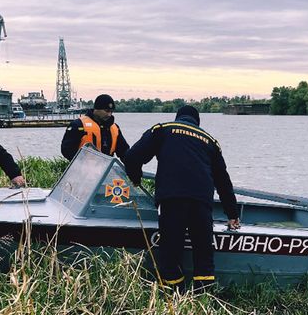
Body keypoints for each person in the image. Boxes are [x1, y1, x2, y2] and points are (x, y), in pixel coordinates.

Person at [124, 105, 241, 290]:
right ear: (197, 122)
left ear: (178, 117)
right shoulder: (210, 141)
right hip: (201, 202)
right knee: (203, 252)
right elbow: (223, 182)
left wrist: (135, 179)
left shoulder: (162, 130)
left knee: (170, 251)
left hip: (172, 198)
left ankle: (174, 294)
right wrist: (232, 214)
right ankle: (203, 296)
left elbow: (131, 157)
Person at [60, 93, 129, 161]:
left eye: (111, 111)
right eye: (106, 111)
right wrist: (81, 163)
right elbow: (66, 150)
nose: (109, 114)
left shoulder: (115, 128)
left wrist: (132, 168)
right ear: (97, 109)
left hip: (107, 169)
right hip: (82, 169)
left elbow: (124, 152)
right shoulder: (78, 125)